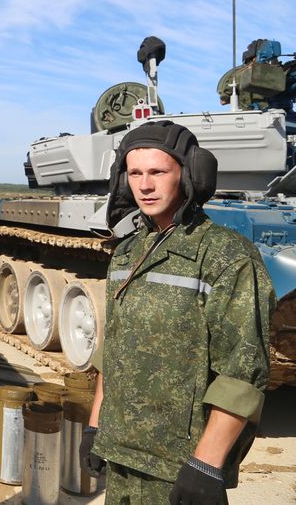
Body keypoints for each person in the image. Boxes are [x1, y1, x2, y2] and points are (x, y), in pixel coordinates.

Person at [79, 120, 276, 505]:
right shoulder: (127, 253)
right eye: (134, 173)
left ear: (188, 176)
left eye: (157, 172)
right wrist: (95, 426)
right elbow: (112, 347)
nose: (144, 185)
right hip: (121, 452)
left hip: (180, 463)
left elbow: (243, 369)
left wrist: (206, 463)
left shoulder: (225, 256)